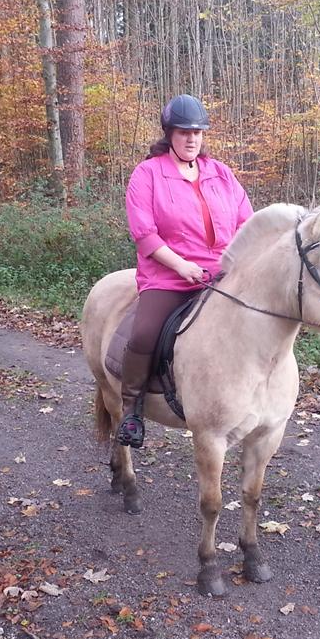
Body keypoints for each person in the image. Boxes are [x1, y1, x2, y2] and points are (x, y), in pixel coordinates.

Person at [116, 94, 254, 447]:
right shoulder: (147, 174)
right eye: (183, 132)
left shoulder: (221, 173)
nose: (192, 139)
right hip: (168, 275)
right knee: (144, 332)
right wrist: (182, 266)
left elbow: (246, 224)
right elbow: (144, 234)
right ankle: (131, 411)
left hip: (220, 274)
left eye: (198, 132)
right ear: (169, 134)